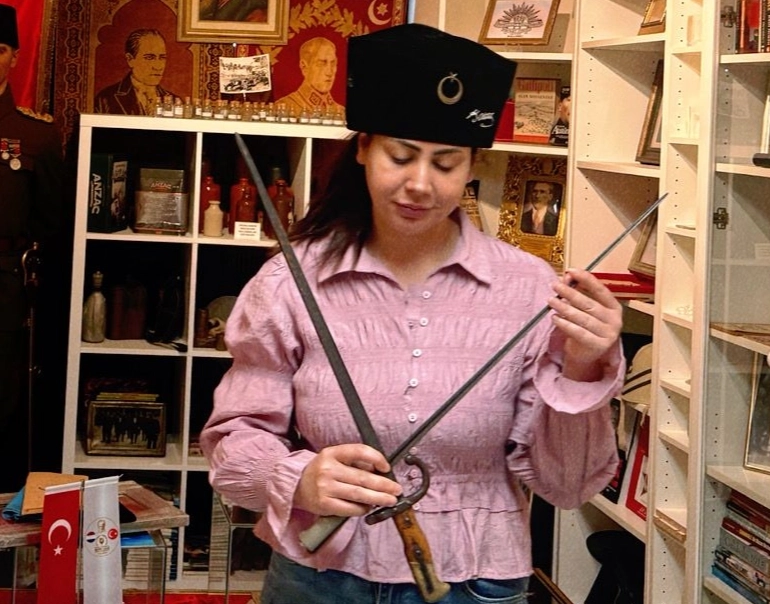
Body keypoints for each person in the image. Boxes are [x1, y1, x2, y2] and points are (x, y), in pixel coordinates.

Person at [201, 23, 624, 604]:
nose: (420, 184)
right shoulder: (290, 281)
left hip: (476, 581)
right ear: (362, 149)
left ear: (472, 166)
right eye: (400, 156)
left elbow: (568, 486)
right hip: (317, 577)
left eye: (445, 164)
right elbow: (233, 443)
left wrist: (583, 365)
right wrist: (296, 478)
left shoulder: (530, 290)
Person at [0, 3, 66, 491]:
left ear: (14, 58)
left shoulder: (35, 134)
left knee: (4, 401)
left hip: (5, 286)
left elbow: (52, 224)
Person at [94, 29, 178, 116]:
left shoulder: (175, 101)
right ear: (130, 59)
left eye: (162, 58)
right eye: (149, 58)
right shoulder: (105, 99)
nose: (158, 66)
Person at [274, 36, 343, 118]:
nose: (329, 72)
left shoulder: (342, 112)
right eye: (321, 63)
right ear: (304, 66)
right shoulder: (283, 107)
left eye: (333, 63)